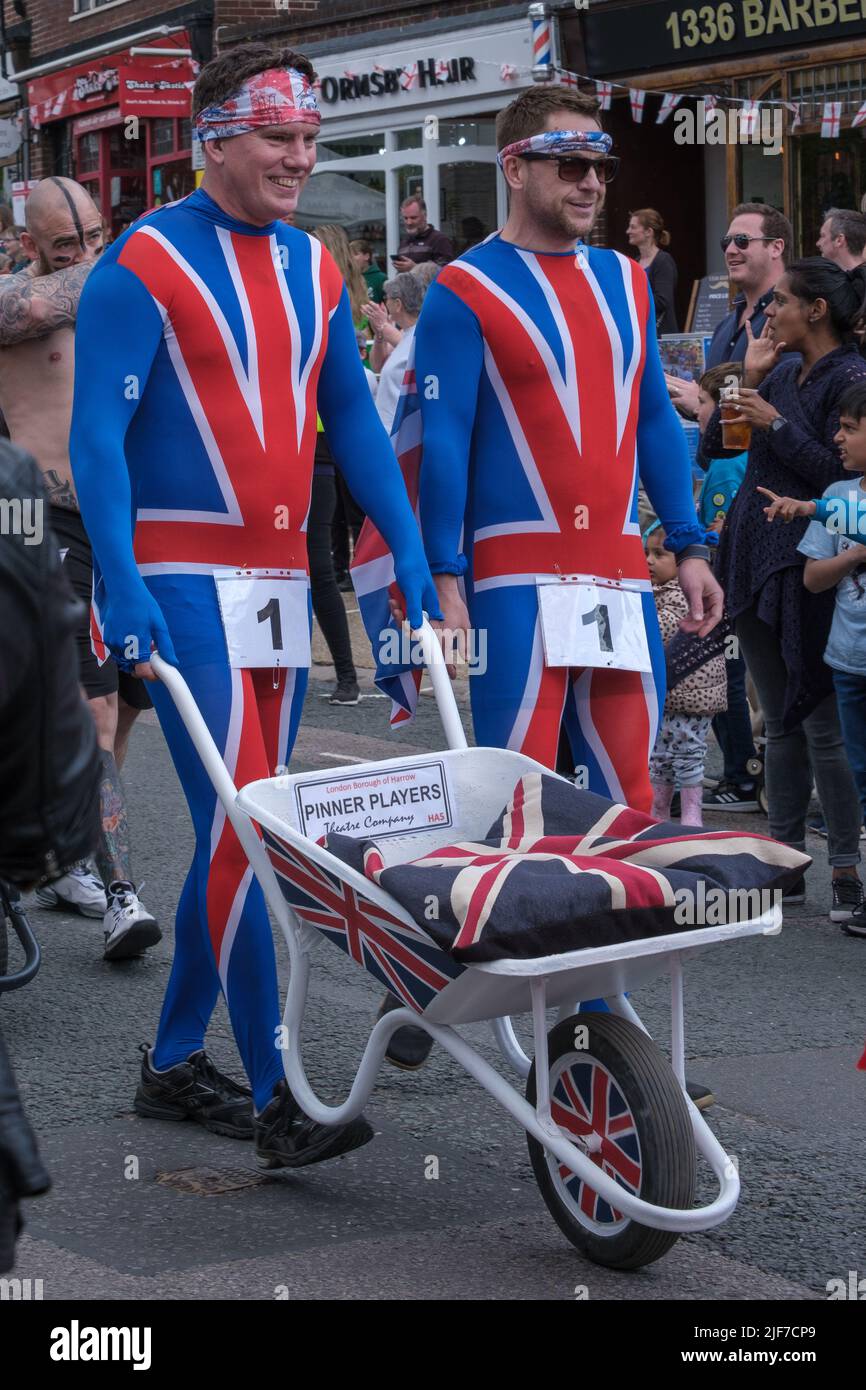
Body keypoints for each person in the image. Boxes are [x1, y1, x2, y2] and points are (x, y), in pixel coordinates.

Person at [69, 42, 440, 1169]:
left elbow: (355, 424)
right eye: (278, 135)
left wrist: (410, 553)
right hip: (182, 582)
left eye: (310, 137)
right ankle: (279, 1090)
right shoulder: (140, 262)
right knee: (252, 832)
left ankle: (177, 1060)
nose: (299, 155)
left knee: (248, 831)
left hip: (283, 585)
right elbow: (97, 435)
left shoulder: (316, 268)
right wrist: (120, 577)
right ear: (214, 136)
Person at [390, 84, 721, 1104]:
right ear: (515, 166)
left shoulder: (626, 280)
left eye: (599, 166)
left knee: (623, 806)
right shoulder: (460, 291)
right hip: (513, 583)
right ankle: (437, 977)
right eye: (566, 162)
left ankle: (599, 1030)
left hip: (620, 575)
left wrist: (692, 542)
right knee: (513, 809)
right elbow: (440, 438)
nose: (588, 182)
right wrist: (444, 583)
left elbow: (655, 426)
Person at [0, 176, 157, 958]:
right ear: (30, 245)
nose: (89, 254)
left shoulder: (125, 284)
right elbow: (35, 307)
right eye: (69, 244)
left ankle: (67, 852)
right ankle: (121, 896)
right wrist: (136, 257)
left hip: (130, 526)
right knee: (94, 713)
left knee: (125, 709)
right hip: (49, 521)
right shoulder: (17, 304)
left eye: (98, 236)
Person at [711, 258, 866, 921]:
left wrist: (775, 422)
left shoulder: (852, 378)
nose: (769, 314)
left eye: (781, 303)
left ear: (817, 310)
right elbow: (716, 450)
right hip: (751, 551)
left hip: (814, 559)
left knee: (821, 723)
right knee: (778, 724)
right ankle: (783, 865)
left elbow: (843, 475)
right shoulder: (774, 370)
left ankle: (846, 870)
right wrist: (742, 385)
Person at [758, 379, 866, 926]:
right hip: (848, 661)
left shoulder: (836, 505)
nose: (838, 439)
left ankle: (850, 878)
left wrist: (808, 508)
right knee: (859, 771)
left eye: (849, 429)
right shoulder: (843, 497)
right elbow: (816, 577)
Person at [693, 361, 760, 813]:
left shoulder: (724, 462)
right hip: (741, 586)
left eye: (702, 403)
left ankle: (741, 777)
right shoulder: (748, 453)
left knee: (724, 684)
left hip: (723, 588)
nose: (696, 413)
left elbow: (715, 533)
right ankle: (741, 772)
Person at [667, 202, 792, 418]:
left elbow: (787, 411)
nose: (731, 250)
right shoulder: (724, 327)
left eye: (742, 241)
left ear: (776, 247)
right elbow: (714, 404)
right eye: (726, 242)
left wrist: (701, 405)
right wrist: (692, 401)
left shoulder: (789, 321)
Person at [645, 522, 727, 826]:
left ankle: (692, 814)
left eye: (659, 554)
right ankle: (659, 811)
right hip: (671, 691)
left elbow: (664, 628)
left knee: (688, 754)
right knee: (660, 756)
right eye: (646, 553)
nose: (650, 560)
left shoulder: (683, 592)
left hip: (693, 692)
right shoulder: (659, 590)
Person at [375, 271, 426, 434]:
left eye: (387, 298)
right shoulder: (407, 334)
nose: (385, 303)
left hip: (398, 435)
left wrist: (383, 326)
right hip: (390, 432)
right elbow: (377, 364)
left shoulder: (418, 336)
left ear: (398, 304)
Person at [627, 208, 678, 334]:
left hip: (660, 337)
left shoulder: (663, 261)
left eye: (633, 227)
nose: (628, 231)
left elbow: (662, 301)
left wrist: (629, 299)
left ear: (648, 232)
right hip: (642, 334)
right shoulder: (634, 262)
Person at [392, 196, 453, 271]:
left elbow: (445, 273)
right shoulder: (404, 242)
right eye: (405, 218)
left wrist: (415, 268)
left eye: (413, 218)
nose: (409, 222)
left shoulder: (439, 240)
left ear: (425, 216)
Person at [350, 237, 386, 303]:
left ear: (366, 256)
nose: (351, 258)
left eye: (355, 254)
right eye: (349, 255)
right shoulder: (348, 278)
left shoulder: (381, 278)